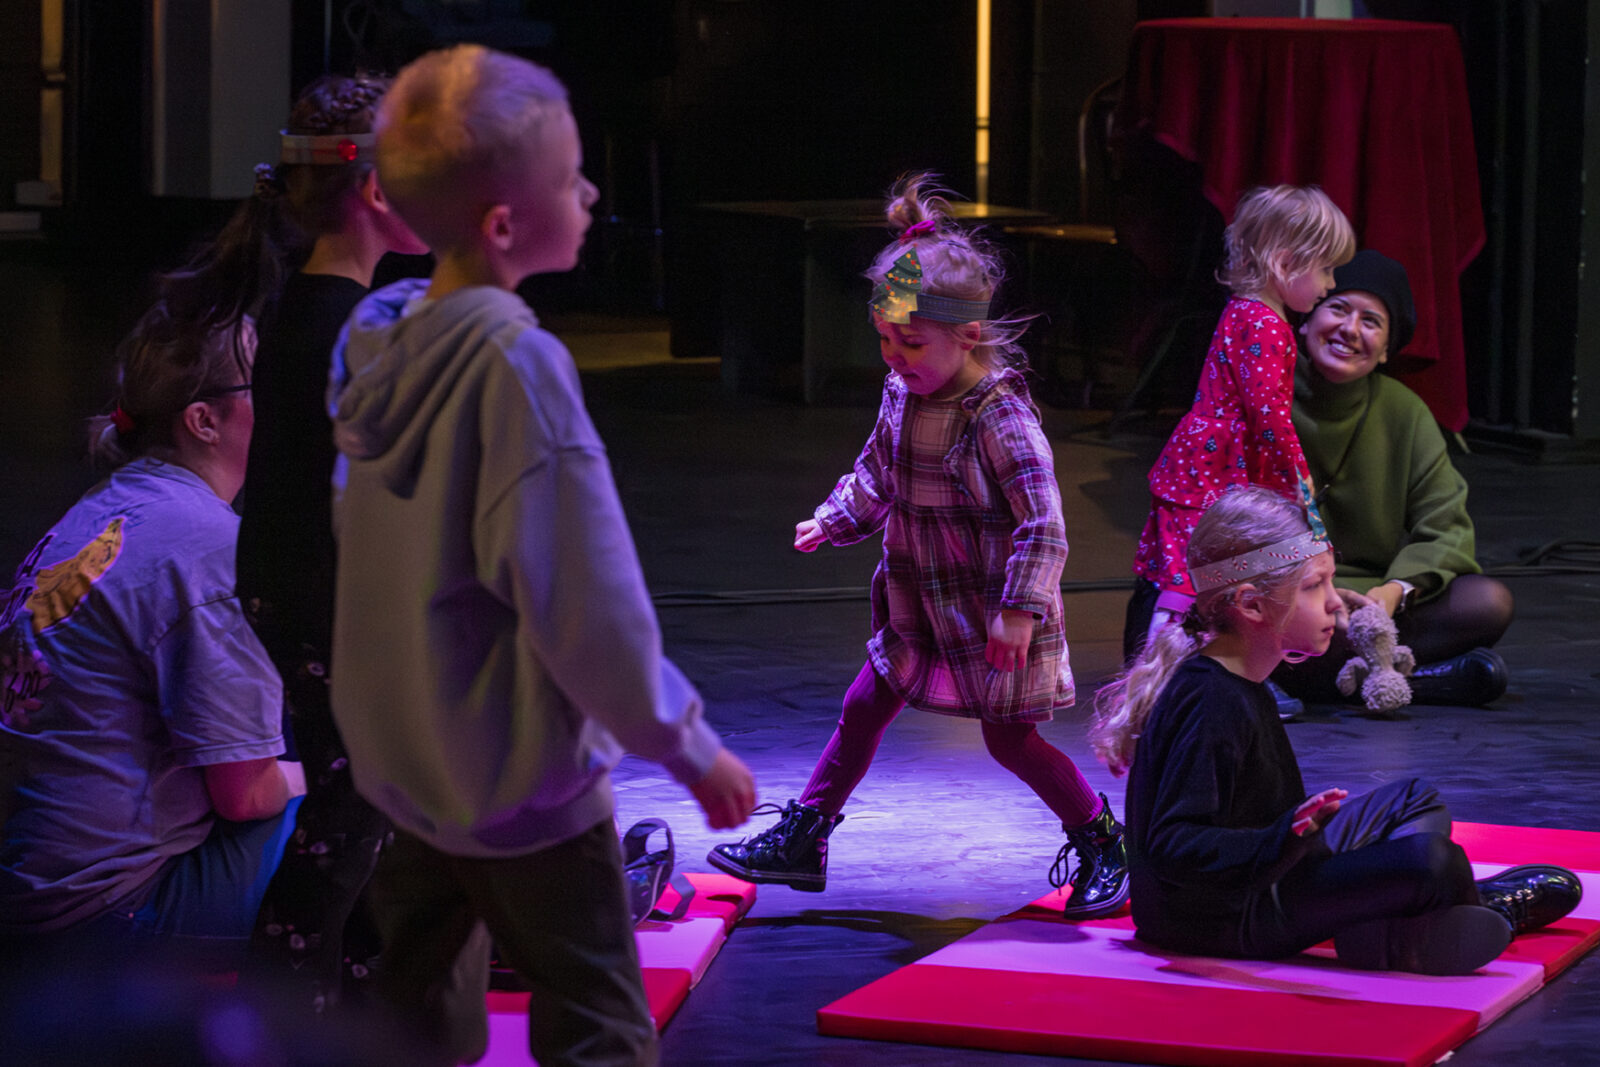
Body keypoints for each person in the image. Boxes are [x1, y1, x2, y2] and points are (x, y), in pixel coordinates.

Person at [325, 45, 757, 1067]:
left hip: (407, 769)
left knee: (411, 1015)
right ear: (504, 225)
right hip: (521, 786)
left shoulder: (377, 344)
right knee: (599, 1024)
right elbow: (584, 600)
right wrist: (686, 744)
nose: (593, 193)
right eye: (571, 178)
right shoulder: (518, 367)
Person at [706, 174, 1130, 920]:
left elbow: (1043, 523)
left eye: (911, 341)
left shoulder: (998, 415)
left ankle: (1103, 839)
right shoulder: (903, 392)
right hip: (919, 597)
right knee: (864, 703)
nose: (894, 356)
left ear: (967, 335)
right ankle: (807, 834)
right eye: (884, 339)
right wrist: (835, 518)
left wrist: (1019, 612)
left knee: (1010, 743)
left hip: (989, 609)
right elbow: (879, 471)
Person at [1092, 486, 1579, 973]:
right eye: (1313, 586)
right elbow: (1173, 847)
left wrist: (1288, 837)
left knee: (1416, 798)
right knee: (1434, 858)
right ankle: (1462, 912)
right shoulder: (1211, 700)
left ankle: (1399, 920)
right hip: (1226, 916)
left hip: (1267, 870)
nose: (1335, 603)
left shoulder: (1238, 680)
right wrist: (1281, 838)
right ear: (1252, 605)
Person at [0, 307, 305, 975]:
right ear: (203, 420)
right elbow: (245, 793)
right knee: (368, 809)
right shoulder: (209, 546)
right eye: (268, 382)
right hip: (104, 915)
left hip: (32, 897)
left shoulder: (97, 512)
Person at [229, 72, 428, 1014]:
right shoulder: (355, 329)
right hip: (331, 602)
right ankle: (282, 1024)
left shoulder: (300, 308)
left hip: (297, 588)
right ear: (378, 190)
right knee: (341, 838)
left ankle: (352, 1014)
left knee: (360, 829)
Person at [1273, 250, 1513, 708]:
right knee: (1270, 627)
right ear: (1305, 321)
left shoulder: (1404, 412)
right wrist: (1315, 591)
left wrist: (1390, 594)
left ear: (1385, 350)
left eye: (1371, 322)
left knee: (1487, 602)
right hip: (1287, 595)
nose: (1350, 329)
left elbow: (1447, 528)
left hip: (1370, 601)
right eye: (1338, 309)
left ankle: (1355, 675)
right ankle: (1413, 680)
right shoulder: (1266, 395)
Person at [1126, 185, 1356, 657]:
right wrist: (1299, 478)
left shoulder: (1247, 311)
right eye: (1325, 269)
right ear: (1286, 263)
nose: (1330, 284)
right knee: (1191, 576)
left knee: (1211, 573)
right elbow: (1268, 416)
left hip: (1215, 464)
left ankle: (1214, 661)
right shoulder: (1265, 323)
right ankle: (1159, 669)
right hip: (1211, 470)